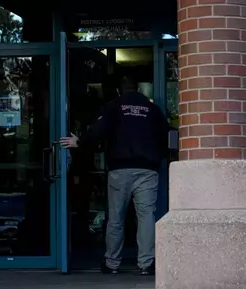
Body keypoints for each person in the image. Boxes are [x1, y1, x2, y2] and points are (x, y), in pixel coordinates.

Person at [60, 75, 170, 275]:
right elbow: (166, 136)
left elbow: (98, 131)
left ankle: (112, 263)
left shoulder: (114, 107)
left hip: (120, 170)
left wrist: (80, 141)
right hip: (147, 169)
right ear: (138, 89)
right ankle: (146, 264)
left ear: (119, 91)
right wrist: (157, 158)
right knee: (146, 217)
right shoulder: (152, 110)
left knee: (116, 218)